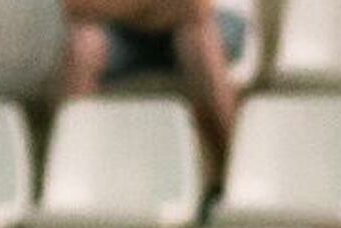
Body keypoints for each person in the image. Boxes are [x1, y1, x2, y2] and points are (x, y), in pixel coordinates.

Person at [63, 0, 245, 162]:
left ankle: (235, 165)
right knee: (84, 44)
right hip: (122, 30)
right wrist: (154, 10)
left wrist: (118, 7)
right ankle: (73, 168)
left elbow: (195, 7)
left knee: (197, 39)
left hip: (207, 23)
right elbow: (77, 5)